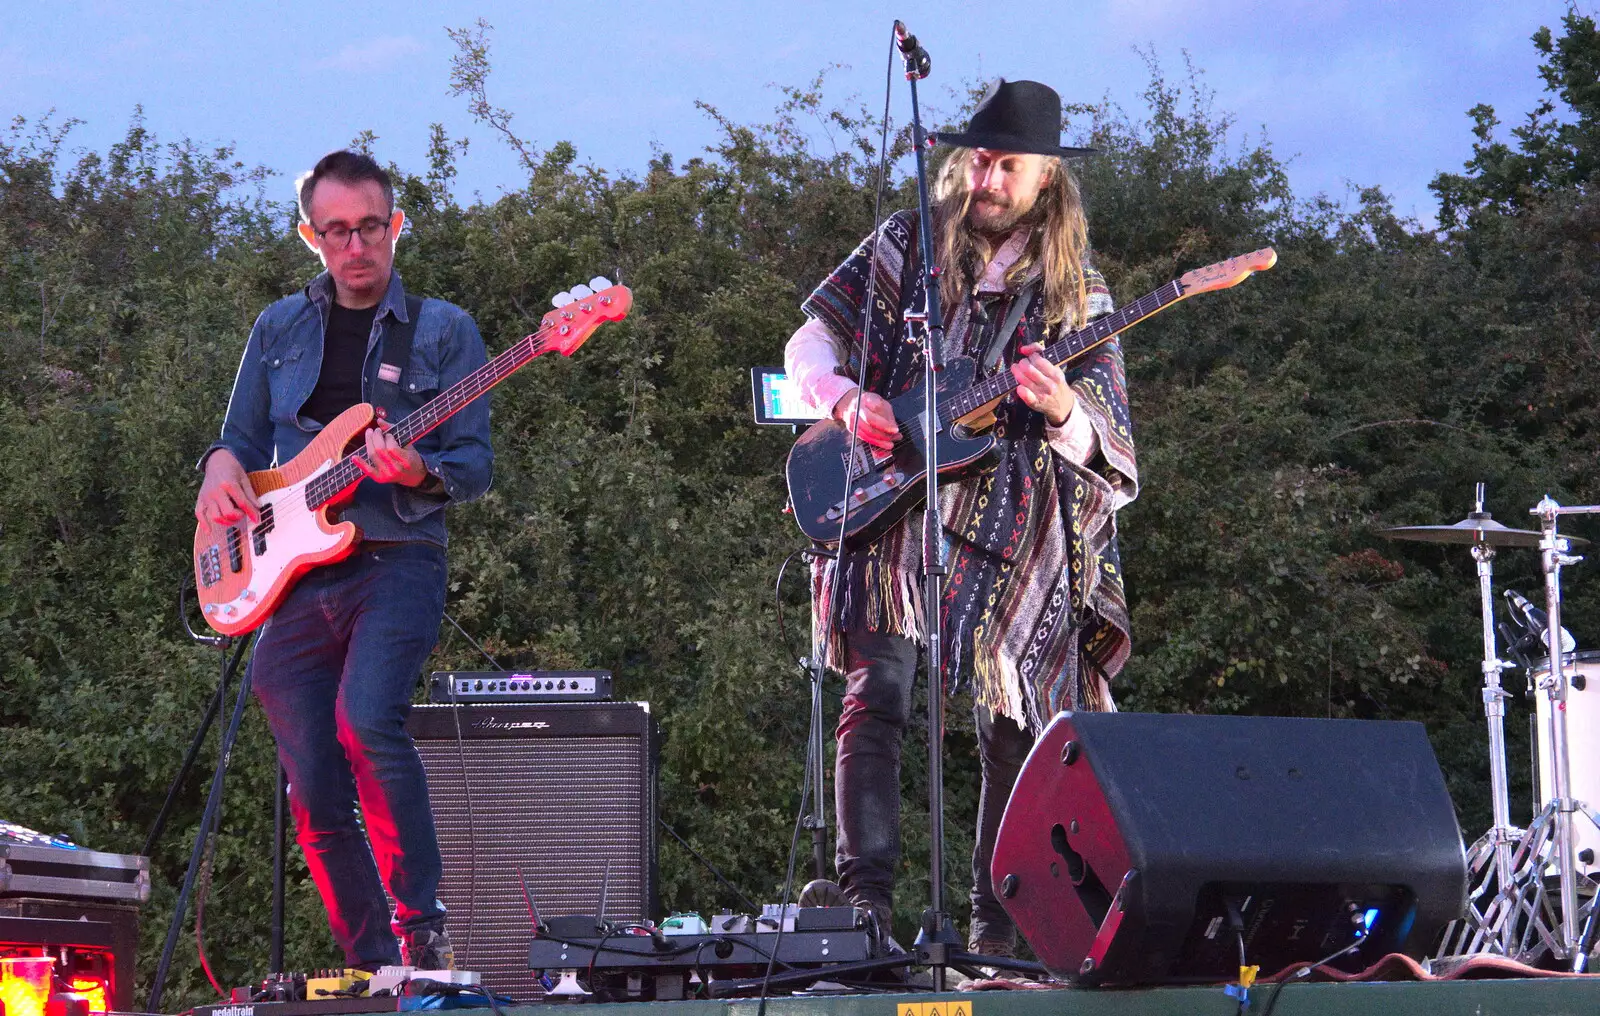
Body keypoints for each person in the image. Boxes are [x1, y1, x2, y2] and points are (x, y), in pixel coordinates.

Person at [785, 80, 1138, 964]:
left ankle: (992, 930)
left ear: (1047, 177)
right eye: (978, 159)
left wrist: (1062, 411)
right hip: (887, 501)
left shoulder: (1078, 295)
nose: (986, 177)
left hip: (1011, 516)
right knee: (877, 698)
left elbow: (1107, 440)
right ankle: (861, 914)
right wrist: (841, 396)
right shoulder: (907, 239)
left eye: (1006, 165)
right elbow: (809, 342)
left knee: (1013, 724)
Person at [194, 150, 493, 970]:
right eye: (337, 231)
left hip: (396, 557)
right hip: (290, 574)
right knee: (313, 784)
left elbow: (473, 464)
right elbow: (240, 443)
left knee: (368, 722)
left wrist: (417, 468)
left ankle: (421, 930)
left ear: (396, 226)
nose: (356, 245)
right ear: (311, 237)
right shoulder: (278, 327)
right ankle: (370, 963)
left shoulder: (445, 330)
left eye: (370, 227)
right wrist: (219, 472)